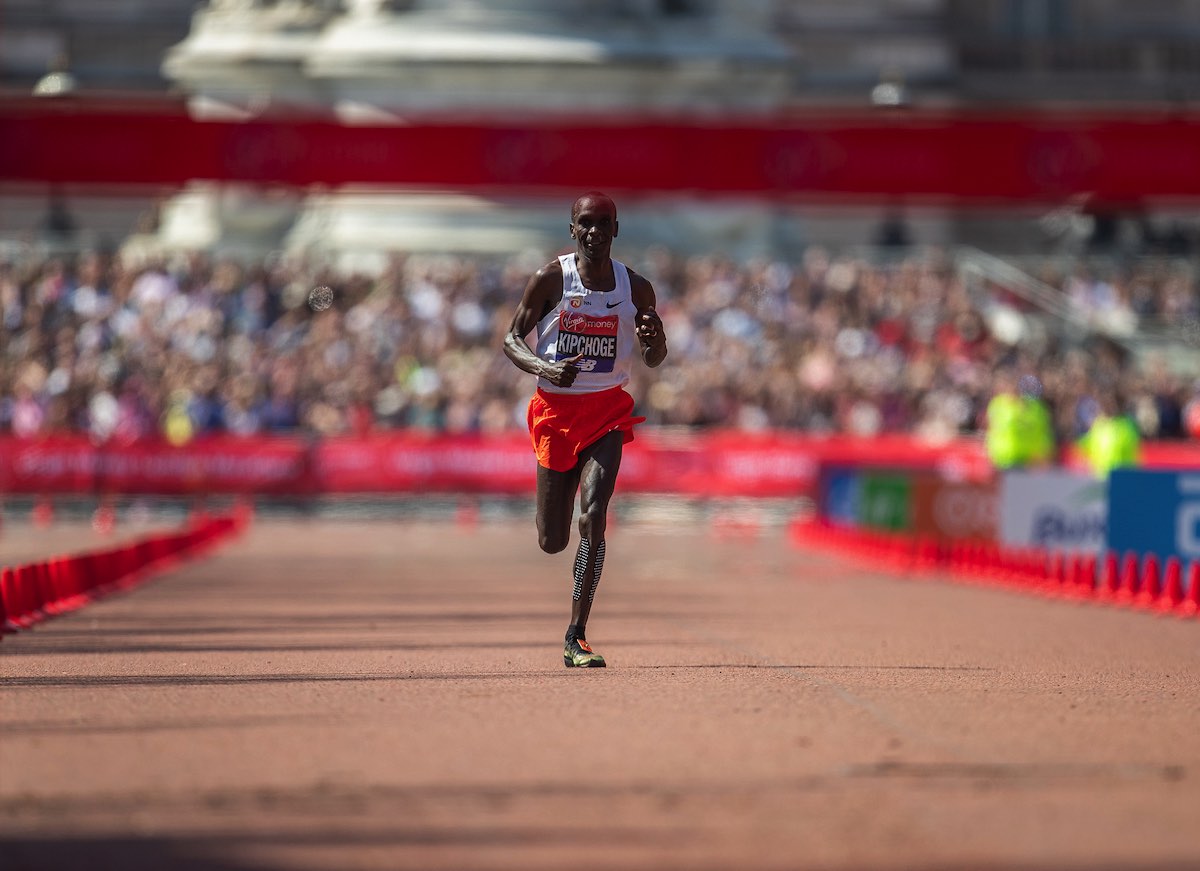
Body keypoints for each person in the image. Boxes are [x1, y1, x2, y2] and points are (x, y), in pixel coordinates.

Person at [503, 192, 668, 668]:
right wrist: (544, 367)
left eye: (604, 223)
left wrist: (655, 343)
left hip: (607, 412)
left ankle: (576, 634)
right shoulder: (551, 279)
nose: (595, 231)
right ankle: (557, 509)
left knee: (593, 515)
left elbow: (654, 356)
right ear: (572, 228)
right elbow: (512, 338)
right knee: (552, 539)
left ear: (616, 230)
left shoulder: (636, 287)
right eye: (586, 223)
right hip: (556, 415)